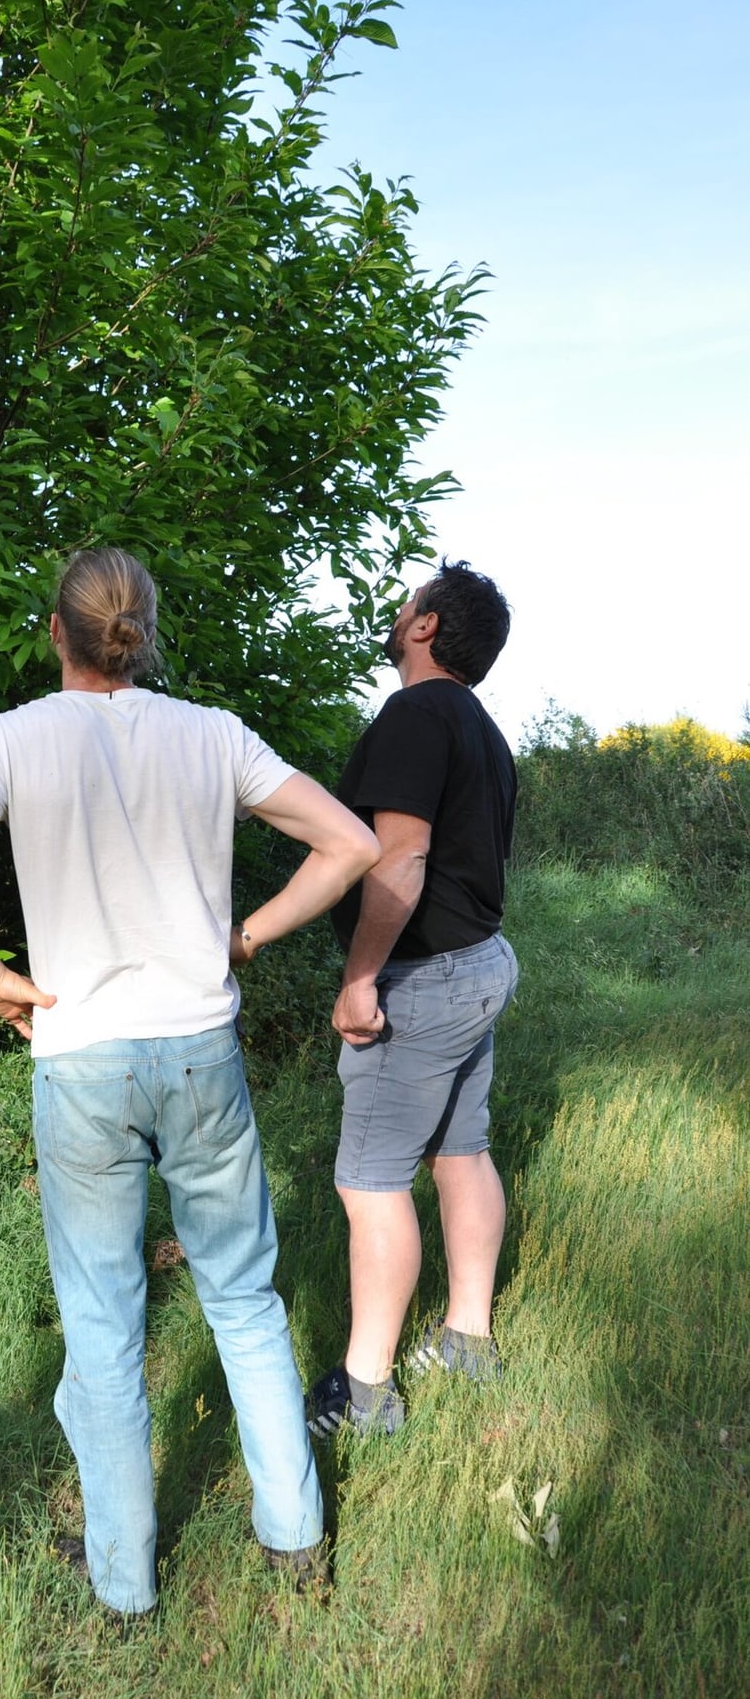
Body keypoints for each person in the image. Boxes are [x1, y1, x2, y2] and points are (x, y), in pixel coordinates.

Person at [0, 547, 379, 1617]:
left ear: (55, 630)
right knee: (244, 1299)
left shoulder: (11, 740)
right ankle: (296, 1539)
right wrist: (241, 938)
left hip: (80, 1058)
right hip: (200, 1047)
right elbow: (348, 843)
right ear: (143, 632)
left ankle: (124, 1582)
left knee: (106, 1325)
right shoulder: (212, 734)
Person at [305, 560, 519, 1440]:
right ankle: (467, 1339)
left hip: (422, 981)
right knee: (459, 1152)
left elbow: (399, 858)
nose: (397, 613)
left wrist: (360, 978)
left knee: (369, 1182)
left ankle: (363, 1395)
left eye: (408, 603)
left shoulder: (413, 712)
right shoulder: (482, 729)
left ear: (426, 627)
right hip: (479, 964)